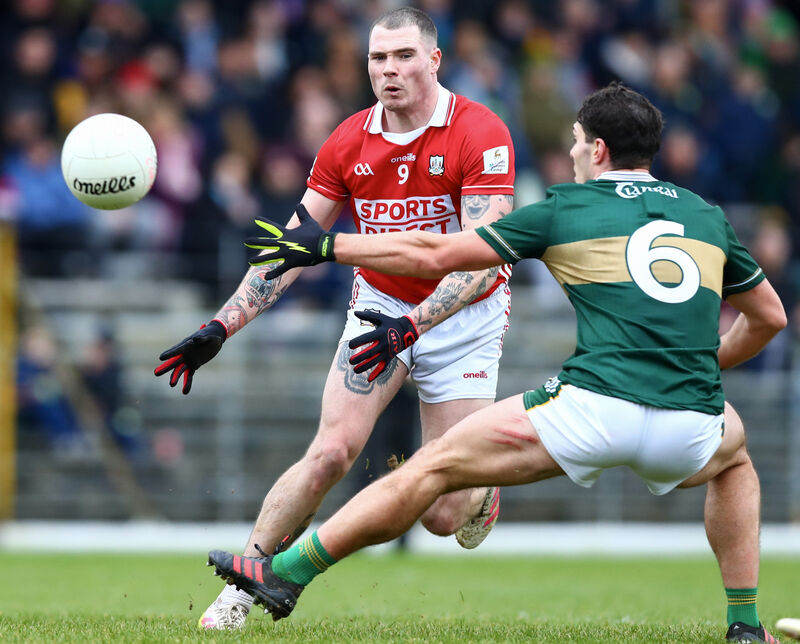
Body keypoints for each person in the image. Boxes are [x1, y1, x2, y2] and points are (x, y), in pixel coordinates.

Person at [209, 83, 787, 643]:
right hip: (690, 424)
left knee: (426, 469)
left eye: (576, 141)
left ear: (598, 150)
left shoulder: (567, 208)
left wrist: (329, 246)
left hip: (591, 411)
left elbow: (435, 251)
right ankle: (742, 625)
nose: (571, 152)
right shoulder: (706, 216)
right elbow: (769, 318)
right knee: (735, 462)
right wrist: (704, 364)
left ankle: (286, 573)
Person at [155, 7, 516, 630]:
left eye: (404, 56)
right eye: (378, 58)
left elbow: (484, 263)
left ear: (434, 60)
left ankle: (481, 493)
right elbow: (294, 245)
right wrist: (221, 327)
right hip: (379, 305)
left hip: (464, 317)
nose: (389, 70)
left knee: (442, 515)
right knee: (331, 451)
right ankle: (246, 583)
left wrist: (416, 325)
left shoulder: (480, 132)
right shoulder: (348, 140)